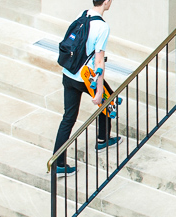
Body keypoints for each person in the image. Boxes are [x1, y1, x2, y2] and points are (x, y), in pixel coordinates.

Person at [53, 0, 120, 177]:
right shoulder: (103, 27)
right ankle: (103, 139)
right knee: (107, 99)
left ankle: (58, 163)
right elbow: (99, 62)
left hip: (68, 73)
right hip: (86, 77)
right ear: (105, 2)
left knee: (68, 118)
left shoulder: (81, 15)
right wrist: (98, 92)